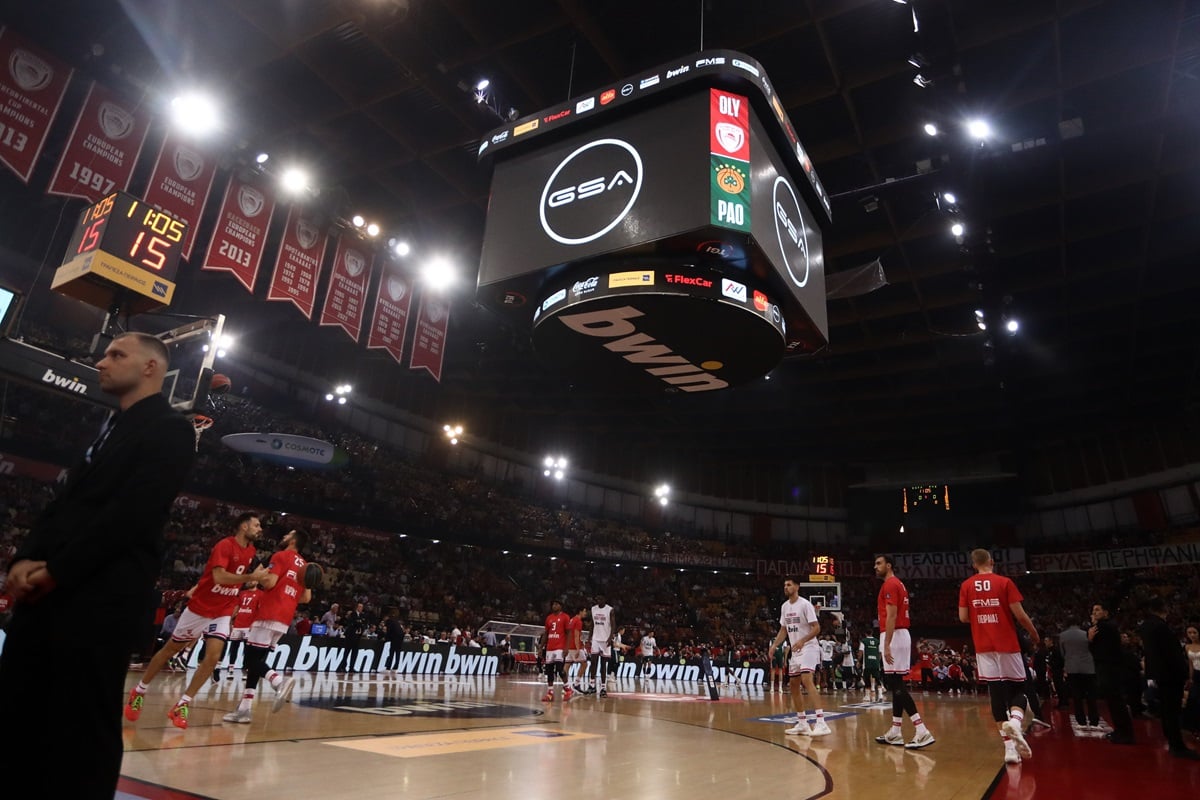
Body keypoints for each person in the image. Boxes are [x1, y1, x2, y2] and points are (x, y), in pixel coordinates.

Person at [0, 331, 195, 798]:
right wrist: (24, 558)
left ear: (150, 367)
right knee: (16, 711)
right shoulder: (112, 424)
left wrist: (56, 569)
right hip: (48, 596)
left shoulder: (170, 429)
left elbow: (131, 514)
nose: (101, 361)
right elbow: (66, 502)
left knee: (83, 729)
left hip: (99, 600)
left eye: (116, 354)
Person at [125, 512, 269, 728]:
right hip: (200, 608)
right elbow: (219, 577)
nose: (260, 529)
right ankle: (140, 690)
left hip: (223, 610)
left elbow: (234, 581)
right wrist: (250, 578)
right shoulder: (225, 545)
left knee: (212, 657)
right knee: (169, 650)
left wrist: (248, 583)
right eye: (256, 525)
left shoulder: (251, 551)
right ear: (243, 526)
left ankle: (182, 704)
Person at [958, 548, 1039, 765]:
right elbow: (1020, 615)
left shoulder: (966, 586)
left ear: (974, 564)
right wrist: (1034, 635)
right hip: (1007, 644)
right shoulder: (1004, 582)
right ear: (992, 562)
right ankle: (1015, 720)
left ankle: (1009, 750)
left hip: (983, 646)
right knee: (1019, 689)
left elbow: (963, 617)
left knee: (996, 694)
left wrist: (980, 614)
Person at [223, 528, 313, 722]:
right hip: (284, 619)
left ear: (293, 541)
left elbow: (270, 583)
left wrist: (257, 575)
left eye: (287, 534)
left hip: (268, 613)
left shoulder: (281, 556)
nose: (284, 535)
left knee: (249, 661)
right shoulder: (305, 565)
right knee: (256, 663)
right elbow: (306, 597)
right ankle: (244, 710)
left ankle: (278, 681)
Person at [873, 554, 935, 749]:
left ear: (889, 565)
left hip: (895, 635)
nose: (875, 567)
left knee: (896, 684)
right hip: (898, 634)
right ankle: (896, 731)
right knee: (895, 683)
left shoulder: (891, 584)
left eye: (879, 563)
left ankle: (921, 730)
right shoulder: (897, 584)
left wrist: (886, 644)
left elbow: (891, 616)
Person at [1138, 596, 1199, 759]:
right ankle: (1177, 745)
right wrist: (1184, 673)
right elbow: (1172, 654)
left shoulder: (1144, 626)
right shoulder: (1161, 627)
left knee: (1166, 710)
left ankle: (1172, 740)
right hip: (1171, 674)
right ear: (1163, 609)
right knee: (1172, 710)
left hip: (1157, 674)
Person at [768, 578, 830, 737]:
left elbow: (817, 628)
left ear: (797, 586)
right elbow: (784, 630)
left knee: (806, 679)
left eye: (789, 584)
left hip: (809, 647)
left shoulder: (805, 604)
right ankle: (802, 722)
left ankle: (821, 722)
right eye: (784, 585)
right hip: (796, 649)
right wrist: (775, 645)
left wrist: (803, 640)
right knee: (794, 684)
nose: (786, 587)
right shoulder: (784, 607)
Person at [1089, 601, 1135, 744]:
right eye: (1093, 610)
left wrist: (1090, 637)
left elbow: (1093, 648)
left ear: (1106, 613)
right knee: (1114, 701)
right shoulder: (1108, 626)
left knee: (1116, 702)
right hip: (1110, 667)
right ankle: (1121, 731)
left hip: (1109, 668)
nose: (1094, 613)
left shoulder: (1103, 627)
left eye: (1097, 610)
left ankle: (1125, 734)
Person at [1059, 619, 1102, 730]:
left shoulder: (1063, 636)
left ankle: (1081, 720)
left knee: (1076, 696)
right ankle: (1094, 720)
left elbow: (1062, 653)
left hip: (1072, 667)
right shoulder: (1086, 634)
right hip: (1088, 667)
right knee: (1091, 696)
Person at [216, 582, 261, 681]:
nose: (249, 582)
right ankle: (230, 669)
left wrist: (255, 623)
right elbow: (236, 607)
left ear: (257, 582)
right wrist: (231, 620)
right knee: (234, 647)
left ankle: (245, 669)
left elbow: (260, 609)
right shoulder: (242, 593)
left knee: (247, 649)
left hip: (249, 625)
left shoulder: (260, 594)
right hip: (238, 623)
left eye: (252, 580)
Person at [542, 599, 571, 702]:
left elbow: (568, 633)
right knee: (549, 671)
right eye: (553, 604)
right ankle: (550, 693)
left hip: (560, 647)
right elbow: (546, 633)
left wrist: (566, 647)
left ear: (561, 606)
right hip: (550, 647)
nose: (554, 606)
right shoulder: (549, 618)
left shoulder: (565, 617)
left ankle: (568, 688)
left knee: (560, 670)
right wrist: (541, 647)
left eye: (556, 604)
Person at [590, 595, 615, 698]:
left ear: (605, 599)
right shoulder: (593, 609)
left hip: (605, 639)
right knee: (593, 661)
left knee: (603, 664)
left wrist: (610, 638)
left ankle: (603, 688)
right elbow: (592, 624)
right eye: (597, 599)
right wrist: (589, 636)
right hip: (595, 638)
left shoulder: (610, 610)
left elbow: (613, 625)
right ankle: (592, 685)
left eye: (600, 599)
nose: (598, 600)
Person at [566, 605, 589, 692]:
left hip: (568, 646)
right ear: (580, 611)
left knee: (567, 665)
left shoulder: (571, 620)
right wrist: (578, 649)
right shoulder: (578, 621)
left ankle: (566, 686)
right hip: (574, 646)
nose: (585, 613)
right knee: (584, 664)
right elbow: (576, 636)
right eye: (584, 611)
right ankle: (576, 683)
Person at [342, 601, 368, 672]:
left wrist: (360, 624)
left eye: (362, 607)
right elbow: (354, 623)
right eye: (359, 607)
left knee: (354, 652)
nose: (361, 608)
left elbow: (364, 624)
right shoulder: (352, 614)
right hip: (350, 636)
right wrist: (359, 623)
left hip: (357, 636)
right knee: (347, 652)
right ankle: (343, 667)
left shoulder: (362, 615)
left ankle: (351, 667)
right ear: (357, 607)